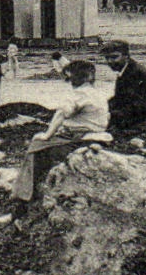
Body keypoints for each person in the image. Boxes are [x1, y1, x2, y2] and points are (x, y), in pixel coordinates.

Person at [13, 59, 112, 214]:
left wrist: (46, 135)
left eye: (69, 77)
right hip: (98, 136)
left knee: (35, 147)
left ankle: (22, 199)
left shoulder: (79, 94)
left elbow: (61, 114)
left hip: (78, 138)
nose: (68, 81)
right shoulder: (98, 93)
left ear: (73, 77)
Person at [102, 40, 146, 141]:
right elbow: (121, 98)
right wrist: (103, 107)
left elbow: (142, 106)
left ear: (126, 56)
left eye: (114, 57)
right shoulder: (126, 70)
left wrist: (112, 114)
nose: (110, 61)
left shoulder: (137, 73)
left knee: (110, 135)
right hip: (139, 112)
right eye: (107, 58)